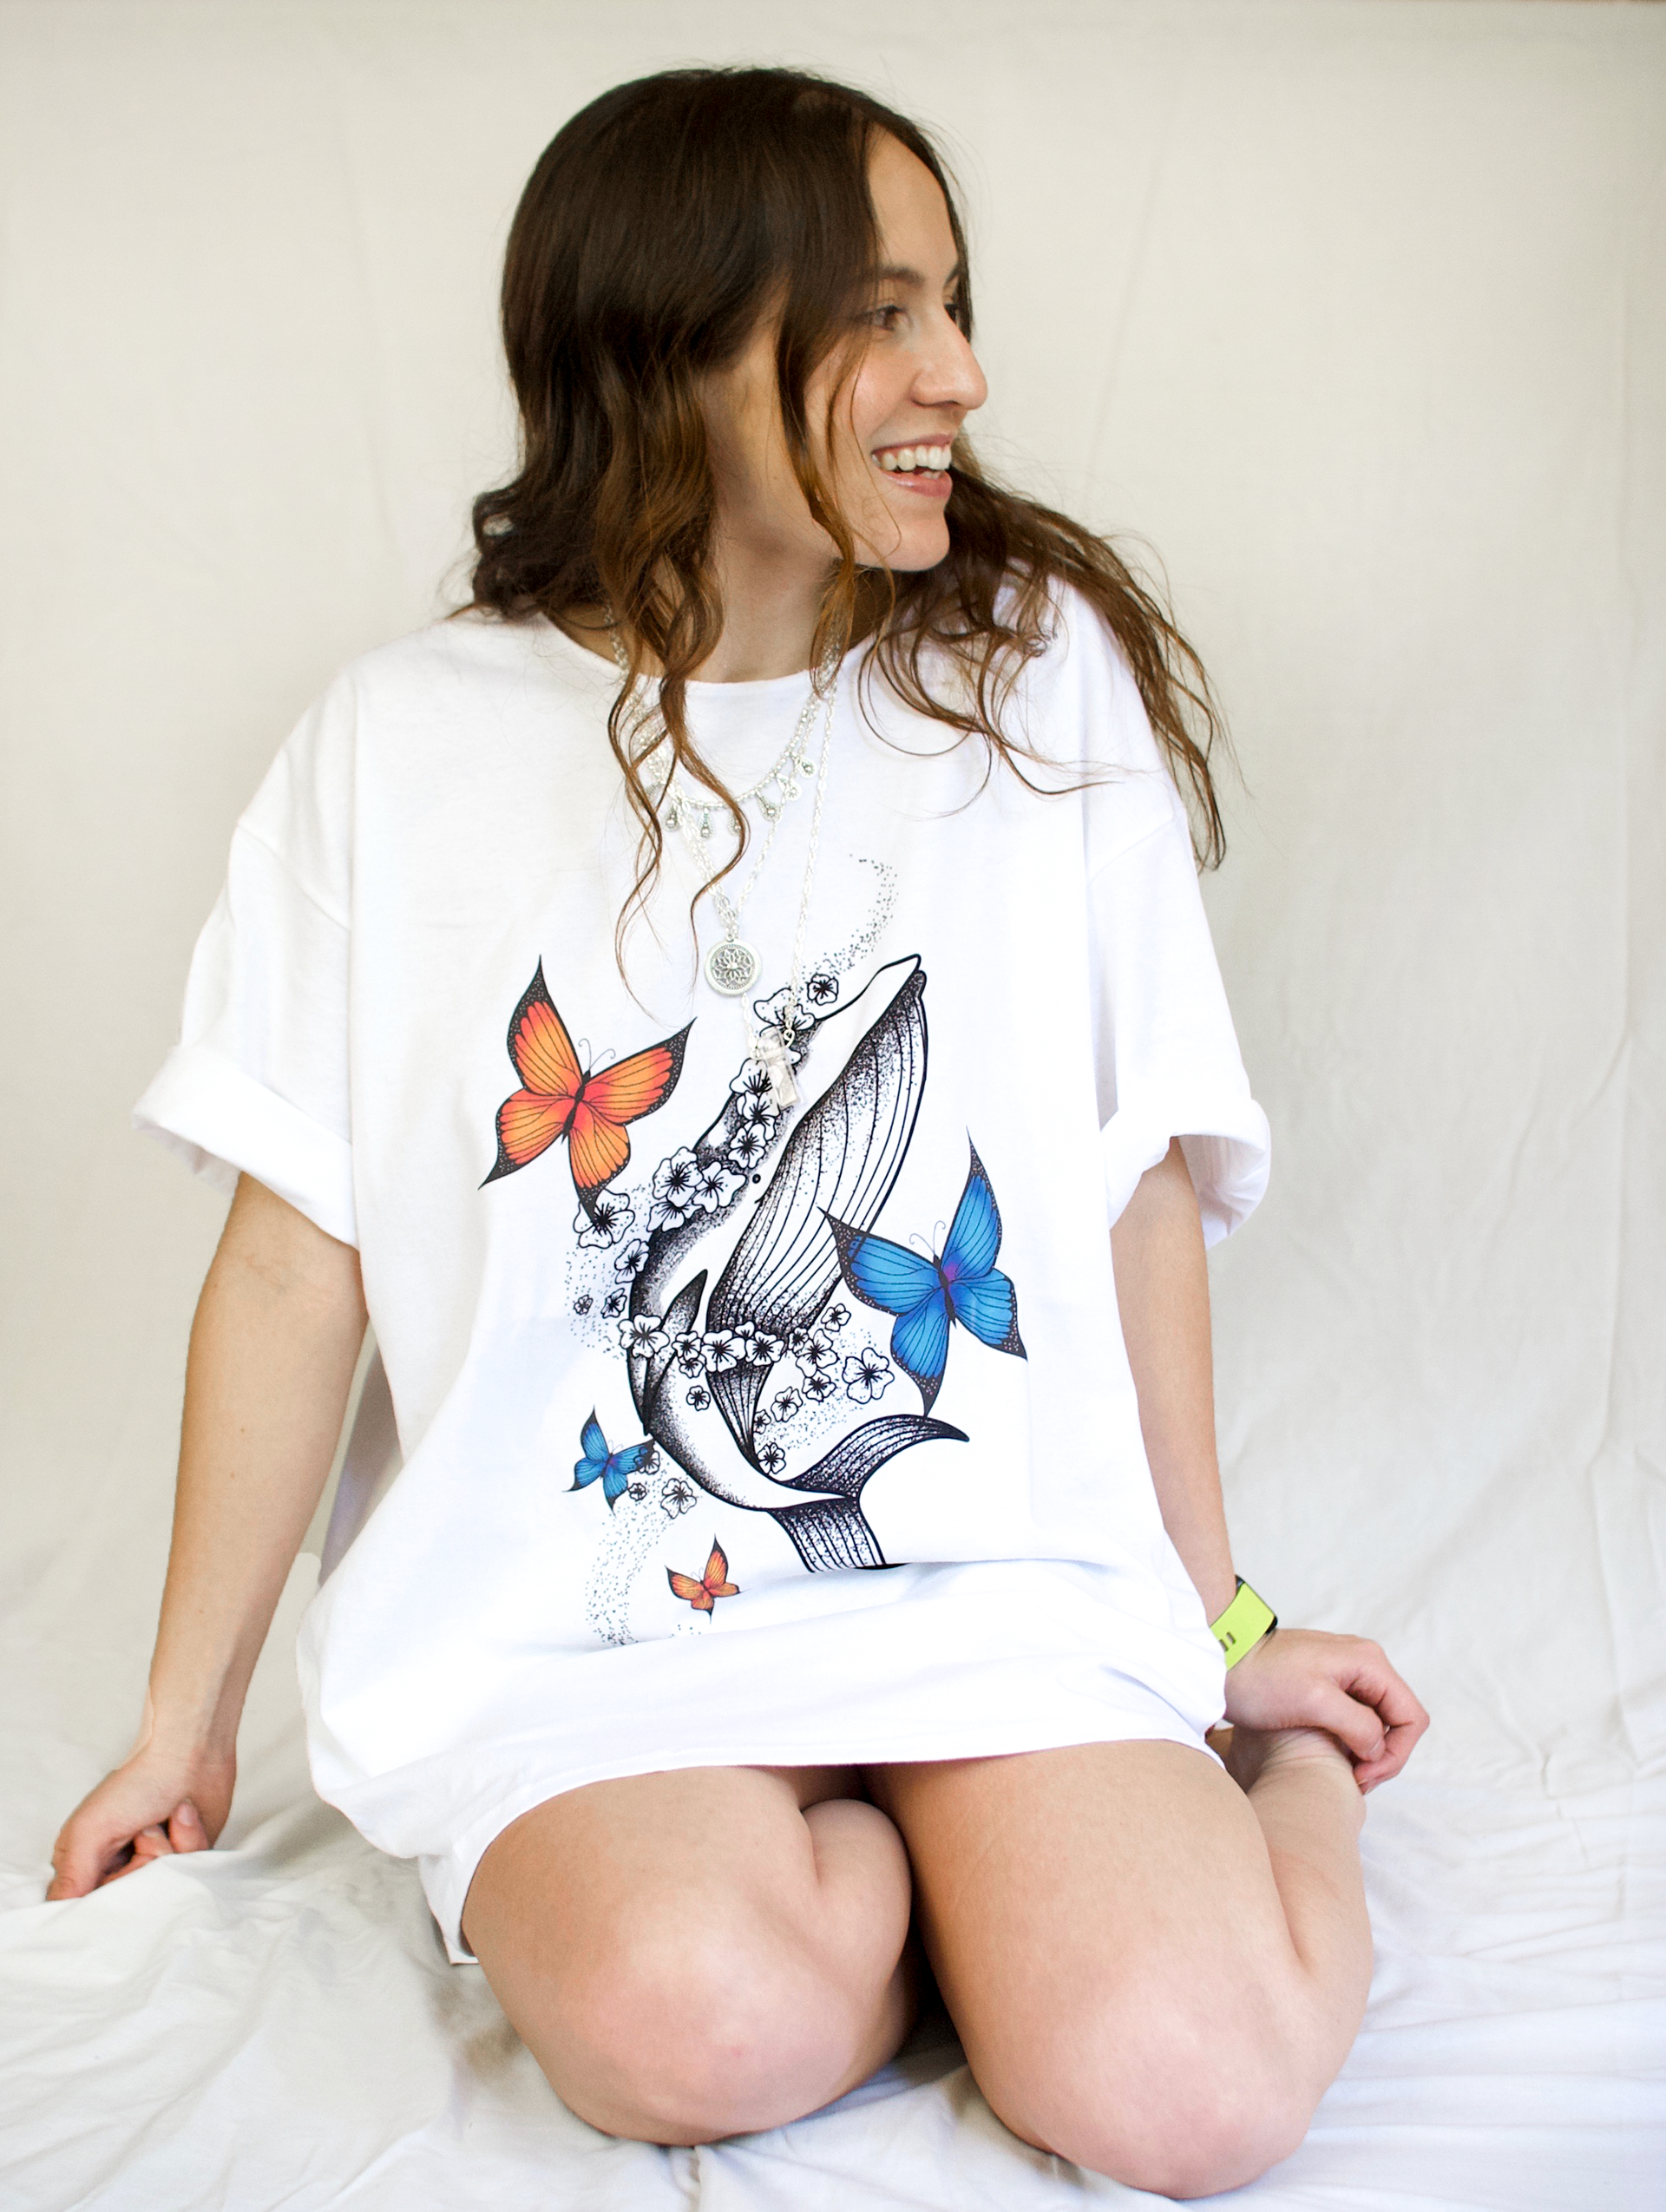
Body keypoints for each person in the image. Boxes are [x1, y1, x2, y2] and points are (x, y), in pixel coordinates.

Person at [48, 67, 1427, 2197]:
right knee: (693, 2026)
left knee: (1196, 2086)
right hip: (579, 1640)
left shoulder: (1033, 681)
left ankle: (1190, 1834)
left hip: (995, 1596)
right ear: (677, 348)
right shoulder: (394, 746)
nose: (960, 376)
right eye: (885, 315)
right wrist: (183, 1725)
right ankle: (928, 1899)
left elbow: (1131, 1178)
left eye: (956, 304)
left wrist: (1224, 1633)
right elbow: (297, 1256)